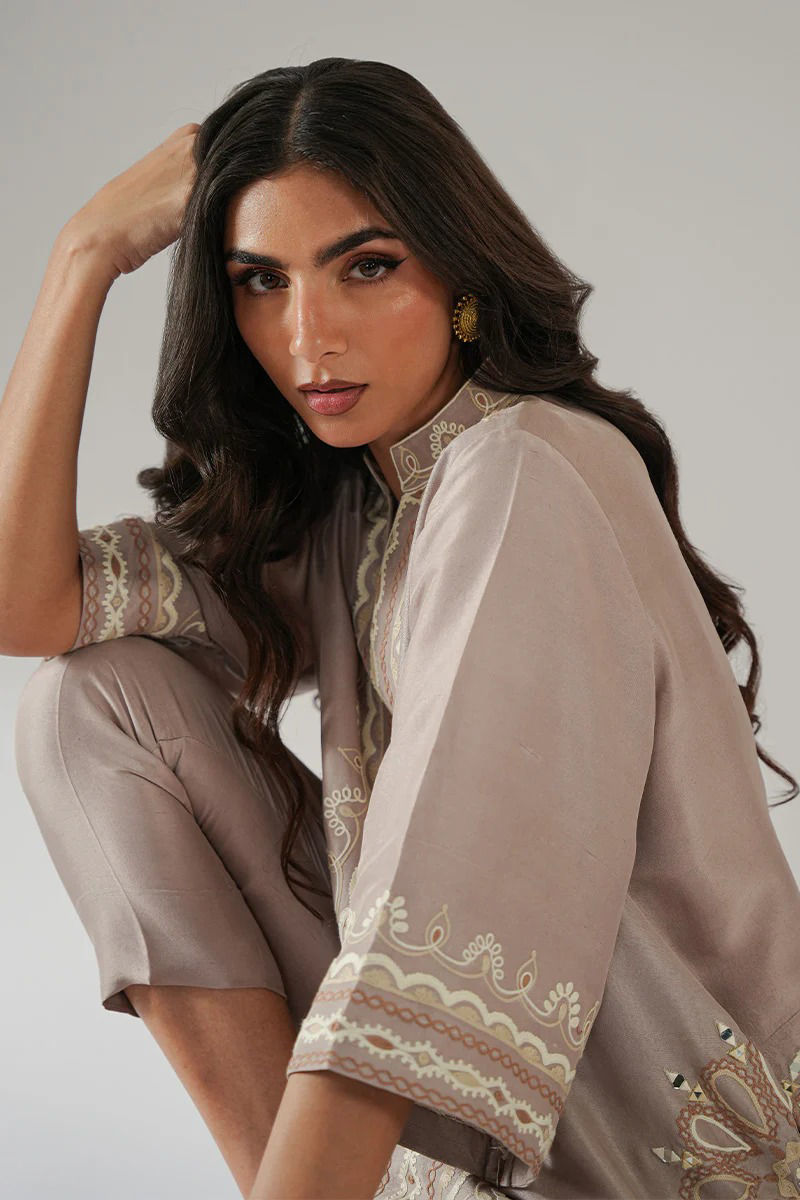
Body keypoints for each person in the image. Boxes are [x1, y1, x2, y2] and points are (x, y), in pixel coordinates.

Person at [3, 57, 799, 1200]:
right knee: (86, 707)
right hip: (476, 1143)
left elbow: (437, 911)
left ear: (459, 271)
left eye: (365, 267)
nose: (307, 335)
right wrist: (81, 259)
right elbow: (25, 606)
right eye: (259, 281)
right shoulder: (356, 510)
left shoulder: (526, 466)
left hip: (673, 1153)